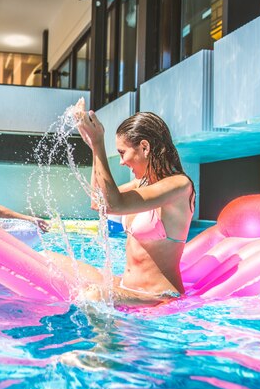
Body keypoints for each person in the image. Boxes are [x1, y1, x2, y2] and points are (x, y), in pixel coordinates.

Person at [48, 99, 195, 305]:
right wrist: (93, 147)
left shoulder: (179, 186)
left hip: (159, 297)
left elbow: (114, 205)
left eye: (122, 153)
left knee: (93, 296)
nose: (121, 161)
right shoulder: (141, 184)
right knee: (50, 259)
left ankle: (107, 339)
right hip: (128, 288)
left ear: (144, 147)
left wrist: (100, 144)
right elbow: (98, 202)